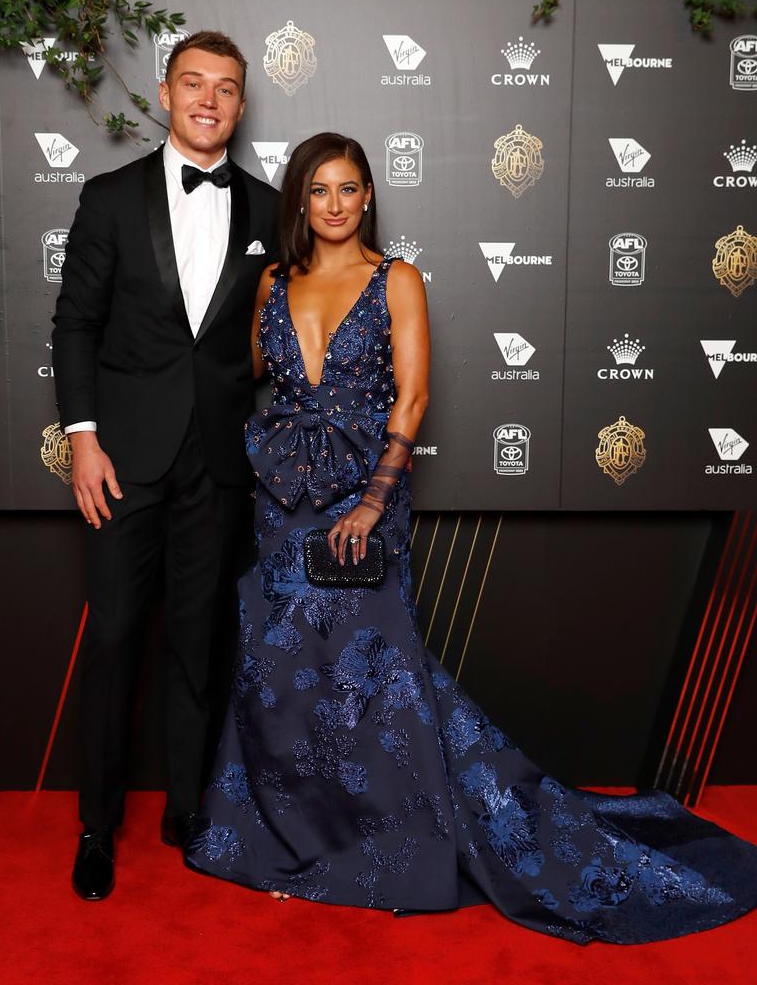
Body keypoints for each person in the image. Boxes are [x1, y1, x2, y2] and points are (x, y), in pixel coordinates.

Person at [186, 132, 757, 943]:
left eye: (350, 190)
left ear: (369, 197)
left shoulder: (398, 280)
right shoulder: (273, 282)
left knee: (375, 679)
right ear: (299, 203)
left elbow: (412, 401)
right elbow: (248, 372)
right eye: (320, 192)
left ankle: (388, 850)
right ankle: (287, 840)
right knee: (284, 673)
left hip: (363, 499)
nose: (337, 205)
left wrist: (372, 503)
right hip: (282, 501)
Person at [51, 30, 279, 901]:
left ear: (241, 104)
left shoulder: (264, 209)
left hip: (217, 463)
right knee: (112, 639)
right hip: (123, 460)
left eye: (225, 88)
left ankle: (188, 810)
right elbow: (75, 323)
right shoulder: (110, 197)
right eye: (194, 84)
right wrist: (82, 436)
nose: (209, 100)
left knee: (199, 643)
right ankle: (96, 827)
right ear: (167, 91)